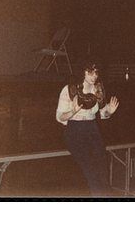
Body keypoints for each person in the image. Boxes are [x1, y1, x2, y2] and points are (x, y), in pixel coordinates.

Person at [56, 57, 119, 197]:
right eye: (90, 72)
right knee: (90, 169)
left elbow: (102, 114)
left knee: (102, 169)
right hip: (74, 131)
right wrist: (73, 111)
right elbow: (60, 117)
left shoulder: (98, 89)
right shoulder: (69, 90)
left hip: (92, 129)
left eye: (96, 72)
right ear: (82, 72)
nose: (94, 76)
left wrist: (109, 111)